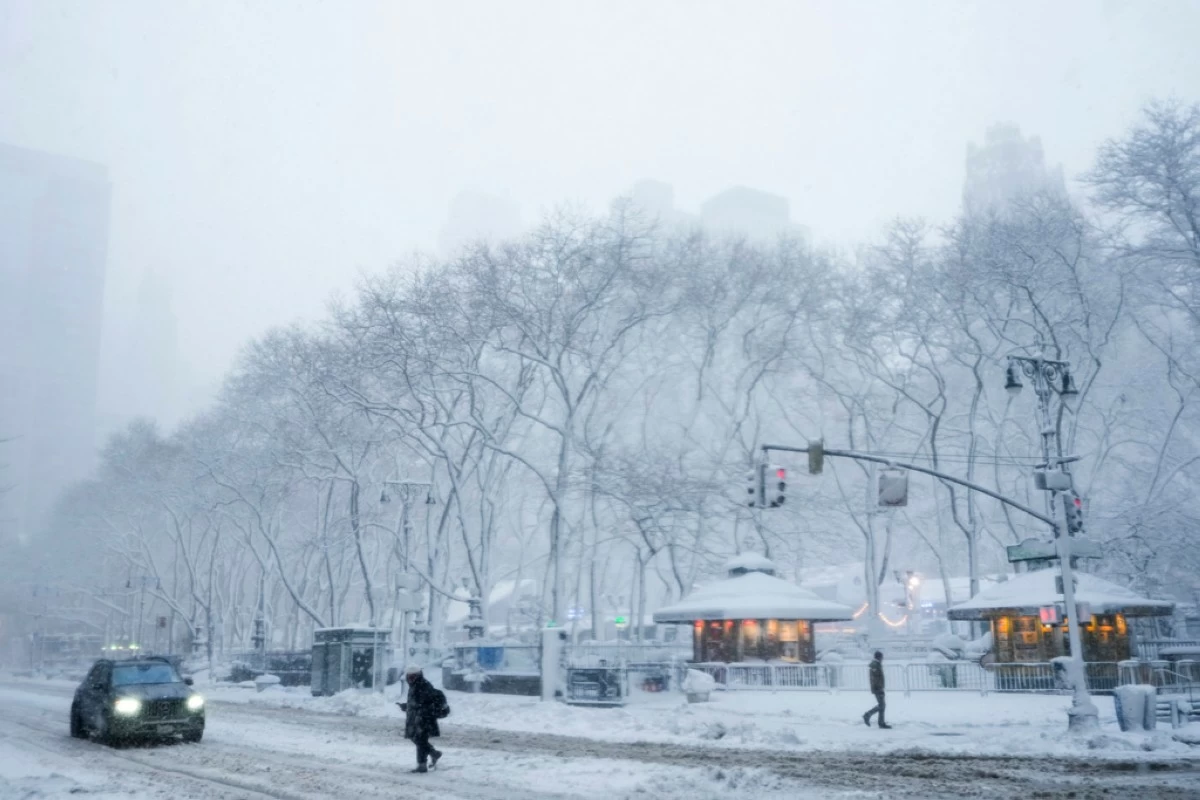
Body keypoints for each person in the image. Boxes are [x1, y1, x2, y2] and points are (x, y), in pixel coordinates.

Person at [397, 665, 444, 773]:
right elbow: (416, 703)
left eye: (413, 676)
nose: (410, 679)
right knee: (419, 740)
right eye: (409, 676)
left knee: (419, 740)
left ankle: (428, 759)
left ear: (418, 675)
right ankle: (427, 759)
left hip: (423, 719)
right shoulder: (416, 685)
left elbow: (423, 704)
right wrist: (406, 706)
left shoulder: (423, 686)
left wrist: (412, 708)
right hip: (417, 718)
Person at [862, 651, 891, 729]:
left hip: (878, 687)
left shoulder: (876, 664)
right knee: (882, 705)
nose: (883, 659)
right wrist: (879, 688)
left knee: (882, 705)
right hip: (878, 688)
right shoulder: (875, 665)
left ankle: (881, 723)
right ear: (879, 657)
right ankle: (867, 715)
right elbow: (874, 679)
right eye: (882, 657)